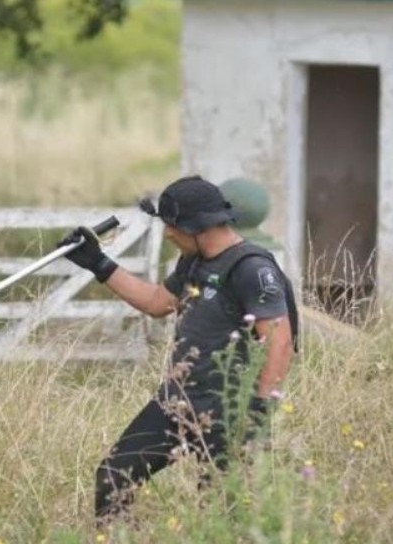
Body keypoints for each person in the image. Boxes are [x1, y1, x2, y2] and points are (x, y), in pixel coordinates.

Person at [59, 175, 299, 524]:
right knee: (113, 478)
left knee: (221, 510)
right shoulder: (193, 260)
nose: (169, 233)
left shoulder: (252, 269)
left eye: (173, 226)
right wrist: (99, 264)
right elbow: (158, 302)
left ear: (198, 225)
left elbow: (279, 341)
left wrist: (258, 412)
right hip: (178, 401)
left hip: (230, 408)